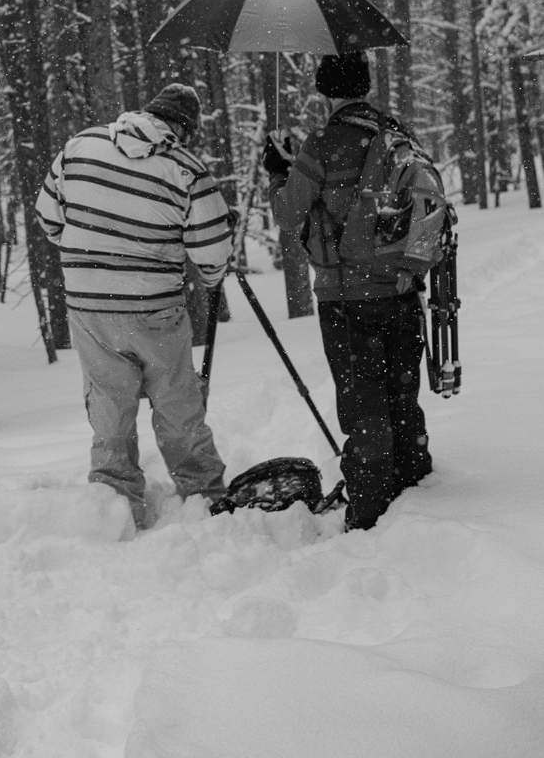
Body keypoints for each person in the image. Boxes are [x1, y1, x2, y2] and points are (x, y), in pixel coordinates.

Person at [36, 83, 233, 528]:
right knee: (176, 400)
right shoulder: (185, 169)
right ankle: (203, 494)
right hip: (153, 306)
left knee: (108, 402)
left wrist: (93, 256)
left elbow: (49, 218)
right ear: (183, 128)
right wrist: (209, 273)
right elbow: (213, 255)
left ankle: (114, 501)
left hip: (88, 307)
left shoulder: (80, 146)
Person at [262, 52, 432, 531]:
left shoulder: (323, 143)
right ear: (366, 85)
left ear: (324, 89)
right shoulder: (397, 136)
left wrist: (279, 170)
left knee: (363, 404)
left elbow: (289, 213)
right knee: (402, 396)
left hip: (347, 298)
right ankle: (415, 486)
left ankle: (371, 509)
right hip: (400, 291)